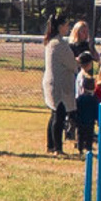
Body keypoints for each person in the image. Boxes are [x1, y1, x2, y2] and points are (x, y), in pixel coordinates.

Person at [42, 11, 75, 155]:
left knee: (54, 114)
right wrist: (78, 62)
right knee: (59, 116)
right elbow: (72, 64)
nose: (68, 28)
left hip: (51, 82)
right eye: (67, 25)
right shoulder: (59, 43)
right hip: (58, 84)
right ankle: (57, 148)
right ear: (60, 26)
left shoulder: (51, 41)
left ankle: (50, 145)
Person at [71, 21, 101, 154]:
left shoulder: (88, 46)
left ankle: (87, 137)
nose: (85, 33)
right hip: (77, 77)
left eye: (86, 31)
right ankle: (77, 135)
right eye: (82, 31)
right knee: (79, 111)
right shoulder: (72, 46)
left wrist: (93, 50)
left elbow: (96, 57)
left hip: (88, 79)